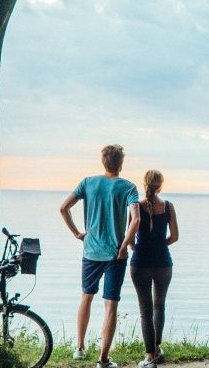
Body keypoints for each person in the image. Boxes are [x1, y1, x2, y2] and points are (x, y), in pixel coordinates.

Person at [59, 144, 140, 368]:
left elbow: (64, 208)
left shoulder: (88, 183)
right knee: (110, 305)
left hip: (91, 251)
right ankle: (103, 360)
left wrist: (77, 233)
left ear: (103, 162)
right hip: (116, 255)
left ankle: (79, 347)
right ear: (120, 163)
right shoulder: (129, 188)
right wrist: (124, 246)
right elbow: (136, 219)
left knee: (86, 296)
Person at [118, 169, 178, 368]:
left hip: (140, 263)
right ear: (160, 185)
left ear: (144, 184)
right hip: (163, 264)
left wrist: (137, 247)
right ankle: (157, 349)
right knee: (159, 306)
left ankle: (150, 356)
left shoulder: (136, 207)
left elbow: (130, 238)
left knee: (145, 311)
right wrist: (160, 244)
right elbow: (175, 237)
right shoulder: (168, 207)